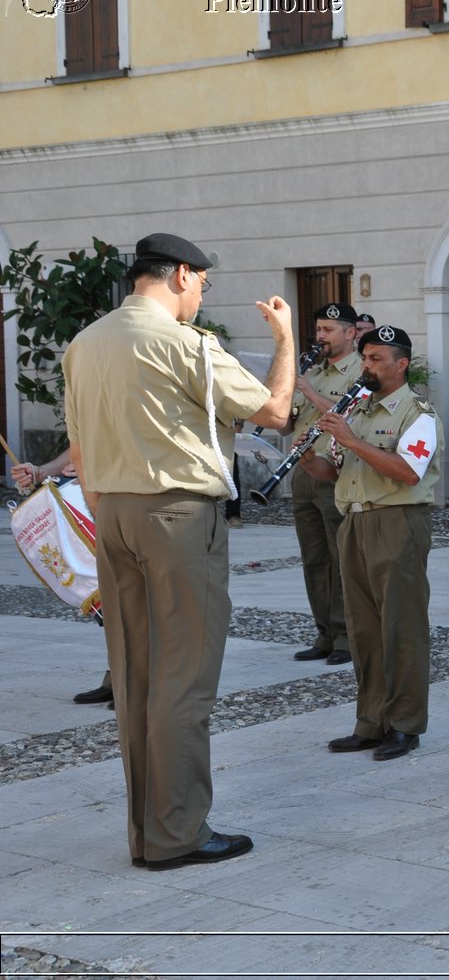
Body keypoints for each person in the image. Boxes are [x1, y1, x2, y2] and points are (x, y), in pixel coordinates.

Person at [64, 231, 295, 869]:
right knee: (184, 678)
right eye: (202, 284)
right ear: (183, 276)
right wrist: (285, 339)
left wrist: (109, 511)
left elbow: (80, 454)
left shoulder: (85, 344)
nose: (200, 297)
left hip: (110, 510)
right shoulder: (182, 342)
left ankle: (147, 832)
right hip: (175, 517)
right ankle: (176, 834)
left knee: (136, 676)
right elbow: (275, 411)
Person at [300, 325, 440, 762]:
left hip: (397, 522)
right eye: (364, 358)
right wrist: (304, 454)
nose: (367, 366)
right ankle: (370, 721)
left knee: (401, 628)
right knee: (363, 629)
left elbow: (408, 471)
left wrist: (351, 440)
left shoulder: (417, 413)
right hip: (354, 523)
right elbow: (332, 471)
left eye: (376, 359)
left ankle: (404, 724)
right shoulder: (357, 411)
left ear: (401, 364)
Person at [279, 302, 362, 666]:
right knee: (314, 558)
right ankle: (325, 632)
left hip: (336, 471)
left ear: (351, 333)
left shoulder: (362, 369)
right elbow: (286, 425)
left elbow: (351, 415)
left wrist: (309, 391)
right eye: (318, 330)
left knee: (339, 556)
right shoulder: (312, 369)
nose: (320, 337)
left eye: (328, 330)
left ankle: (347, 635)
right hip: (303, 471)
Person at [11, 449, 115, 706]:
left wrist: (99, 469)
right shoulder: (85, 408)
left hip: (129, 498)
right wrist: (41, 472)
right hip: (92, 497)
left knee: (135, 595)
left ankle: (141, 682)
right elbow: (79, 443)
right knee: (103, 593)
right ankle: (120, 676)